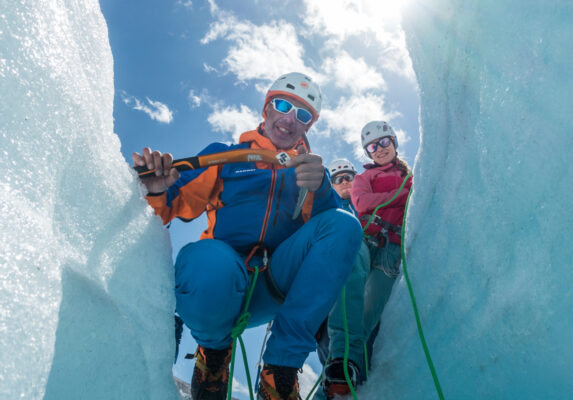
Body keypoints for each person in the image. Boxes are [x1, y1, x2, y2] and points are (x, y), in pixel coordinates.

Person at [132, 72, 363, 400]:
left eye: (302, 115)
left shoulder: (309, 174)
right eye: (282, 105)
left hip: (274, 284)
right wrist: (156, 191)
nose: (289, 119)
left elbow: (334, 241)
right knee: (206, 258)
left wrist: (323, 189)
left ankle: (280, 369)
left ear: (309, 126)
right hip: (222, 283)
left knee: (345, 223)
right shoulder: (225, 157)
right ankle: (213, 356)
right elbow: (169, 208)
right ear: (266, 108)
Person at [319, 121, 413, 399]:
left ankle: (349, 374)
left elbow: (376, 201)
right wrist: (401, 197)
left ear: (394, 142)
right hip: (365, 236)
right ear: (368, 153)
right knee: (351, 279)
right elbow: (362, 204)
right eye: (373, 146)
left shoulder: (410, 175)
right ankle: (340, 360)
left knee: (370, 314)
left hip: (392, 249)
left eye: (384, 142)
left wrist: (386, 199)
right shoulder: (364, 178)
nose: (380, 149)